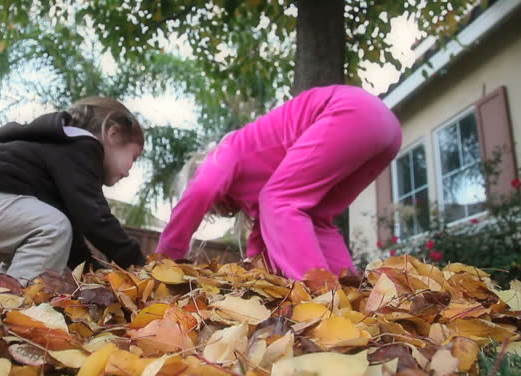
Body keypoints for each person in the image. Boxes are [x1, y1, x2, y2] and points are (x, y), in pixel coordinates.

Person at [156, 85, 401, 279]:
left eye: (211, 209)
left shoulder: (227, 151)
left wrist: (167, 258)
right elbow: (262, 245)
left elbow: (201, 190)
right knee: (315, 220)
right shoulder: (259, 195)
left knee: (279, 201)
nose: (217, 211)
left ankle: (320, 301)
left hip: (350, 110)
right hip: (387, 131)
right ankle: (353, 300)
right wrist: (256, 280)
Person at [0, 97, 146, 283]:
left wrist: (94, 274)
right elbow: (95, 219)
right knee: (53, 227)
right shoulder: (82, 147)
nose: (128, 171)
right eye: (133, 158)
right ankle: (13, 320)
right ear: (113, 134)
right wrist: (138, 265)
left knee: (40, 242)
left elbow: (72, 241)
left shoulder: (61, 153)